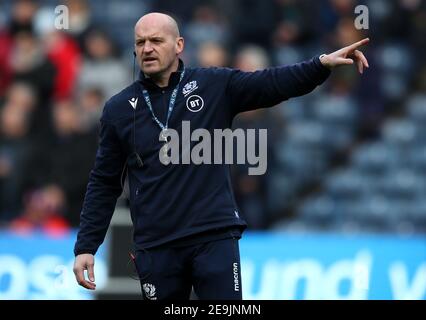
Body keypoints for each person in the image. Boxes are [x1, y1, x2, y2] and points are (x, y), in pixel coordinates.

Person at [73, 12, 369, 300]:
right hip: (156, 246)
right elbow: (104, 182)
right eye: (140, 43)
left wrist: (321, 64)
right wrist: (86, 246)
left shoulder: (214, 85)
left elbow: (273, 83)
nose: (147, 49)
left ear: (179, 45)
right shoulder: (119, 109)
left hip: (213, 237)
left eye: (156, 40)